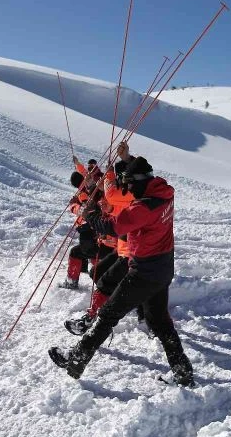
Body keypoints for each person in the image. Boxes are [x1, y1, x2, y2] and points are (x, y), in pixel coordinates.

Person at [49, 155, 195, 387]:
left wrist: (89, 214)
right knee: (160, 321)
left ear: (138, 181)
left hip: (144, 271)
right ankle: (183, 372)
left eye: (128, 184)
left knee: (107, 315)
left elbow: (112, 227)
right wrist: (127, 159)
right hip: (163, 267)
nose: (127, 189)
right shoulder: (165, 191)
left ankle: (76, 359)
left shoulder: (143, 206)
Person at [64, 142, 137, 335]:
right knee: (99, 272)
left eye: (90, 173)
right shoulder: (93, 189)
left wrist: (85, 210)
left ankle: (107, 309)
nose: (88, 176)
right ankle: (100, 310)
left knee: (102, 272)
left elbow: (104, 205)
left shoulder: (104, 193)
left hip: (114, 243)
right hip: (112, 243)